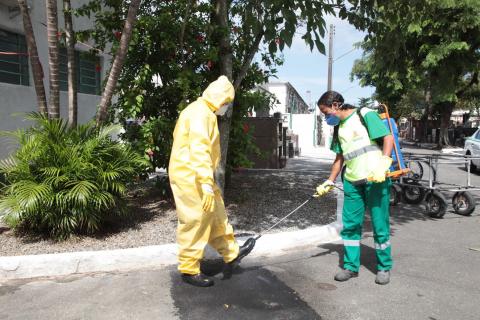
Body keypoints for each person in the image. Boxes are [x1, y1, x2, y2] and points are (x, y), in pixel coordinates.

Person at [168, 76, 254, 287]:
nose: (225, 107)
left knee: (216, 213)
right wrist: (206, 182)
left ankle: (231, 253)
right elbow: (199, 149)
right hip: (191, 176)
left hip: (196, 174)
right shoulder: (201, 114)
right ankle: (189, 269)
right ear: (220, 98)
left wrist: (206, 180)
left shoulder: (200, 111)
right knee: (195, 220)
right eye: (226, 102)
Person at [315, 91, 394, 285]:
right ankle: (351, 267)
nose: (326, 118)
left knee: (379, 224)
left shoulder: (364, 114)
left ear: (335, 105)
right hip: (351, 181)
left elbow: (388, 138)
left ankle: (384, 267)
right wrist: (330, 181)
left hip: (375, 178)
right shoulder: (339, 128)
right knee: (350, 226)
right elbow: (339, 159)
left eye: (326, 112)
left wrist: (384, 162)